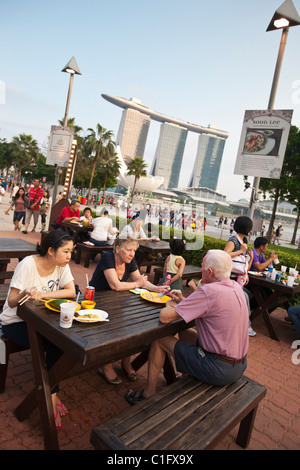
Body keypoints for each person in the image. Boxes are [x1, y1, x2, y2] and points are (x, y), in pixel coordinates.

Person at [125, 250, 249, 405]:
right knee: (184, 331)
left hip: (217, 368)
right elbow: (209, 308)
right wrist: (184, 301)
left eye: (202, 268)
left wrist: (169, 303)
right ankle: (184, 374)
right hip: (238, 365)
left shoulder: (208, 291)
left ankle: (148, 394)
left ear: (209, 272)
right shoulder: (237, 288)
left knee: (159, 339)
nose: (200, 271)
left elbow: (164, 317)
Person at [0, 231, 76, 429]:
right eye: (66, 251)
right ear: (51, 251)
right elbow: (11, 301)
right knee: (56, 343)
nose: (69, 256)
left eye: (72, 251)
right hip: (14, 322)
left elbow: (71, 291)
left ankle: (50, 392)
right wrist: (25, 293)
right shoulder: (27, 264)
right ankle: (50, 396)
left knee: (59, 340)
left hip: (41, 321)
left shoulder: (61, 266)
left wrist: (41, 295)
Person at [90, 237, 166, 385]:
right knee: (112, 329)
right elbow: (116, 285)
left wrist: (157, 289)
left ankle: (126, 361)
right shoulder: (108, 257)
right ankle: (105, 365)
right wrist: (137, 284)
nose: (132, 254)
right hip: (98, 302)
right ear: (117, 249)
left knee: (131, 325)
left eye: (134, 251)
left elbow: (141, 281)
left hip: (117, 302)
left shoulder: (129, 262)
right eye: (129, 250)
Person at [224, 215, 256, 337]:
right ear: (248, 229)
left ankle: (244, 325)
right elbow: (224, 255)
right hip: (229, 279)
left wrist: (246, 272)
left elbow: (242, 261)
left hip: (237, 279)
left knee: (247, 297)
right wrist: (240, 251)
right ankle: (246, 326)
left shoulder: (242, 241)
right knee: (245, 298)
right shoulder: (233, 241)